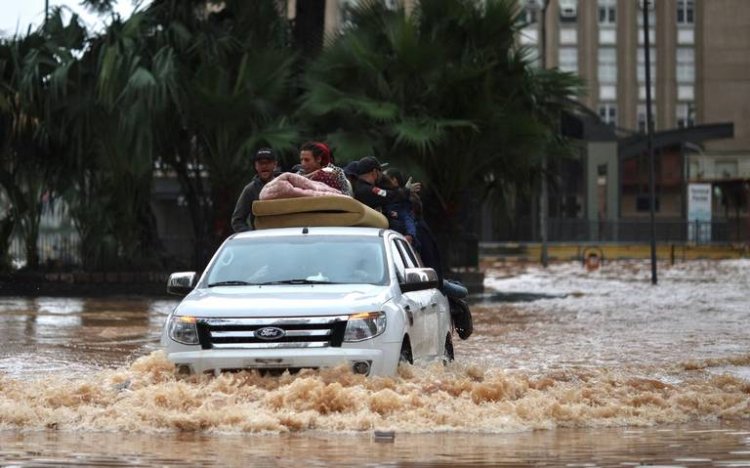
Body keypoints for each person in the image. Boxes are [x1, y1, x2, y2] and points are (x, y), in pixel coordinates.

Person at [352, 157, 421, 222]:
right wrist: (407, 190)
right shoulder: (369, 190)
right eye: (380, 171)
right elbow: (389, 195)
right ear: (374, 172)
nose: (381, 175)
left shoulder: (363, 187)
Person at [231, 147, 278, 232]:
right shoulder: (250, 190)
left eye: (268, 162)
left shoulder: (285, 185)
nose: (264, 166)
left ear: (275, 164)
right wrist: (252, 235)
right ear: (256, 166)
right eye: (260, 163)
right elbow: (237, 221)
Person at [381, 167, 419, 248]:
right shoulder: (388, 195)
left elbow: (407, 216)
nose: (381, 180)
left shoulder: (401, 199)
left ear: (394, 180)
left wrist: (410, 235)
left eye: (385, 178)